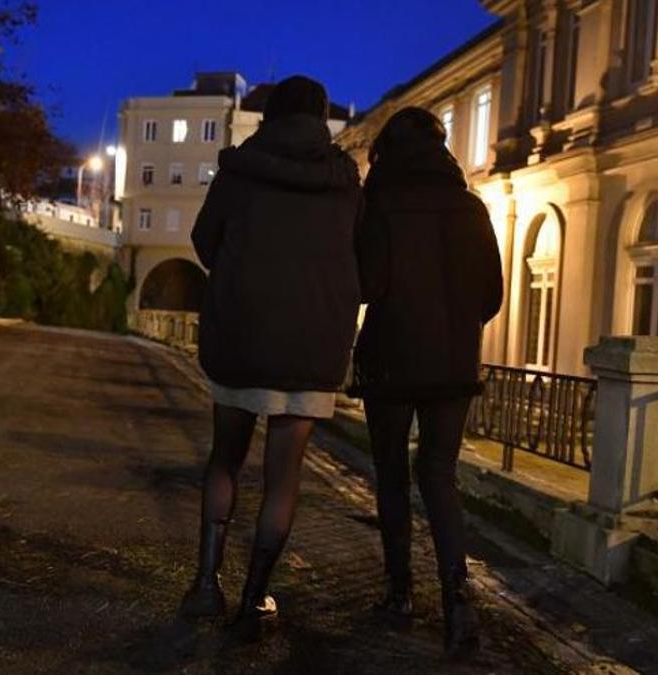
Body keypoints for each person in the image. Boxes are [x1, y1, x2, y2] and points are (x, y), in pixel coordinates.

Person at [179, 75, 363, 631]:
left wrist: (240, 271)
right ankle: (254, 599)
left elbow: (203, 240)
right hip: (312, 343)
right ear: (322, 117)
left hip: (242, 330)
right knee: (284, 478)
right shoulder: (344, 179)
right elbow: (359, 255)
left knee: (225, 459)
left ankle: (206, 584)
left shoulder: (239, 169)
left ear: (271, 115)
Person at [348, 107, 503, 660]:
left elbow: (366, 285)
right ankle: (458, 599)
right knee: (439, 474)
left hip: (391, 359)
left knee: (391, 473)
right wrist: (454, 323)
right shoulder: (472, 209)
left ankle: (400, 594)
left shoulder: (381, 206)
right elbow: (491, 296)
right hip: (454, 364)